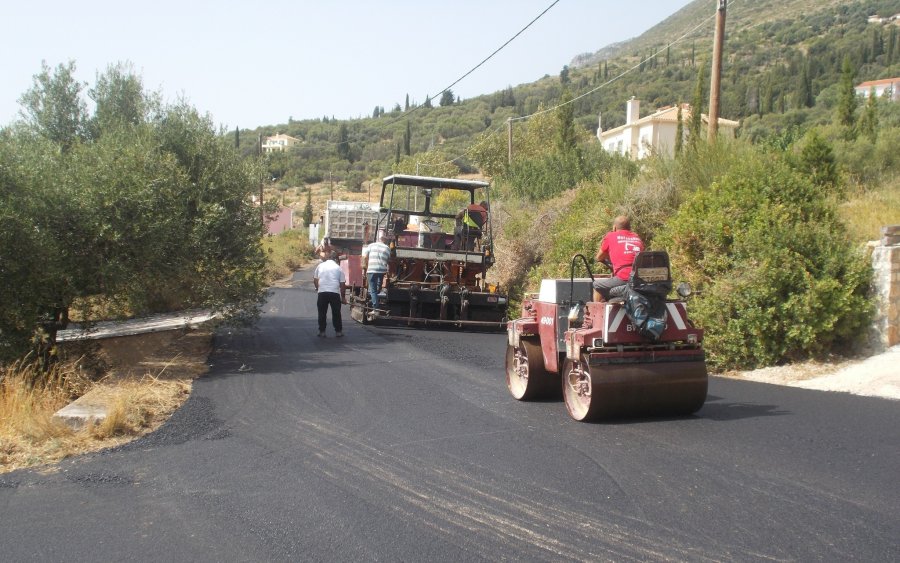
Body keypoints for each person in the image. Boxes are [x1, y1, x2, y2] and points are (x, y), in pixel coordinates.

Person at [592, 215, 645, 301]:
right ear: (629, 228)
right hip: (639, 278)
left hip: (624, 277)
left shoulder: (610, 236)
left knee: (596, 285)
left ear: (614, 227)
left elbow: (599, 257)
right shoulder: (636, 237)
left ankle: (597, 309)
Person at [313, 251, 347, 337]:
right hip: (334, 293)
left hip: (322, 292)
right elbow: (342, 284)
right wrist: (343, 297)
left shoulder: (320, 266)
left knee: (322, 313)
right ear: (336, 259)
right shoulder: (338, 268)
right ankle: (338, 332)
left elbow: (315, 279)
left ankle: (322, 331)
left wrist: (318, 288)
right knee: (336, 313)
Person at [361, 233, 391, 312]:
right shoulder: (387, 248)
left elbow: (365, 257)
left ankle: (376, 308)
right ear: (385, 241)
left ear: (379, 239)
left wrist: (364, 268)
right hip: (382, 270)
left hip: (372, 270)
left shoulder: (371, 245)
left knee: (373, 290)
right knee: (378, 286)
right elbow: (389, 260)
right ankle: (376, 296)